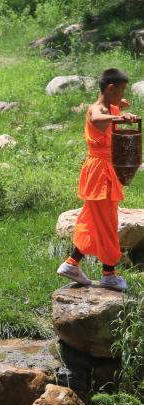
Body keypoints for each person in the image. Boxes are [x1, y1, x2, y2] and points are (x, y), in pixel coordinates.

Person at [57, 68, 138, 291]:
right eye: (120, 90)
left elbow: (111, 108)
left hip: (100, 170)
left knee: (91, 220)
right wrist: (119, 116)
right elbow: (97, 117)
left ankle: (72, 263)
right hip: (100, 173)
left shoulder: (109, 105)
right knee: (108, 223)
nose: (123, 95)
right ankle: (109, 274)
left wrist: (119, 105)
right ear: (110, 88)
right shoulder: (97, 111)